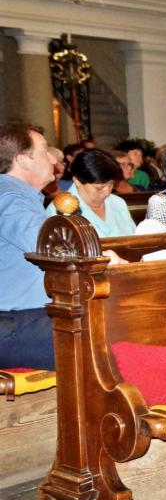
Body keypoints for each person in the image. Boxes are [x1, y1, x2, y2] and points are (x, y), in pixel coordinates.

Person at [0, 124, 64, 368]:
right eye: (45, 151)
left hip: (26, 318)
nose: (53, 160)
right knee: (106, 343)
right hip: (12, 323)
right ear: (23, 160)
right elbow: (51, 246)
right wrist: (100, 254)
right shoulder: (10, 198)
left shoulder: (18, 196)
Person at [47, 149, 136, 238]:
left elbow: (134, 239)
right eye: (99, 188)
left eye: (111, 184)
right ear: (77, 181)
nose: (107, 192)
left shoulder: (118, 203)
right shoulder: (60, 209)